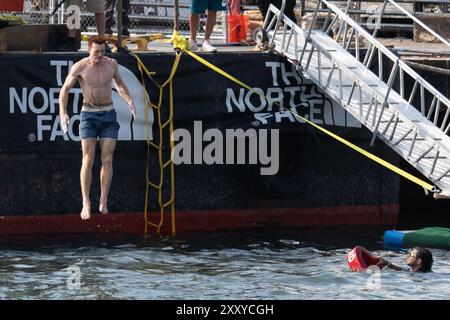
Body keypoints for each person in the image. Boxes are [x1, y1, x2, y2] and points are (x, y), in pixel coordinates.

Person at [59, 36, 137, 220]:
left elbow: (120, 85)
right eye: (96, 52)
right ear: (89, 50)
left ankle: (103, 199)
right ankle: (86, 202)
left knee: (107, 158)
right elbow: (64, 90)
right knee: (88, 158)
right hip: (88, 115)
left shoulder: (112, 64)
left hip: (109, 114)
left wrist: (130, 101)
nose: (100, 55)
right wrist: (63, 113)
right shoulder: (80, 66)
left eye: (103, 52)